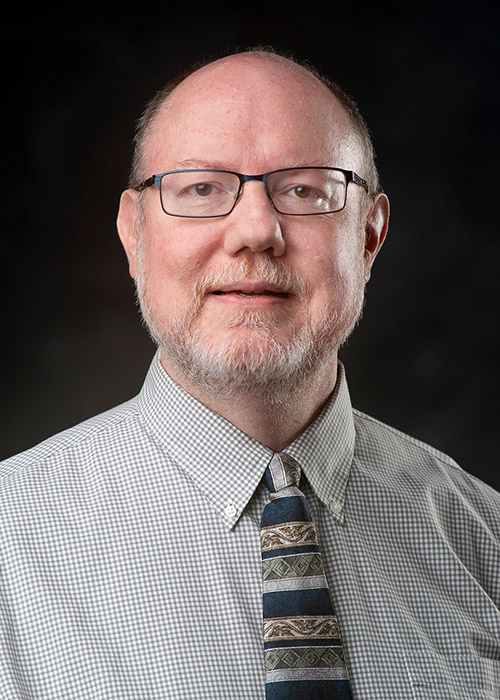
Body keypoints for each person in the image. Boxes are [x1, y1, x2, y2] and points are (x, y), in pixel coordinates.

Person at [0, 48, 499, 700]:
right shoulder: (10, 543)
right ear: (133, 235)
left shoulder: (483, 541)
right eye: (201, 188)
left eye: (305, 190)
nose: (256, 231)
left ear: (370, 236)